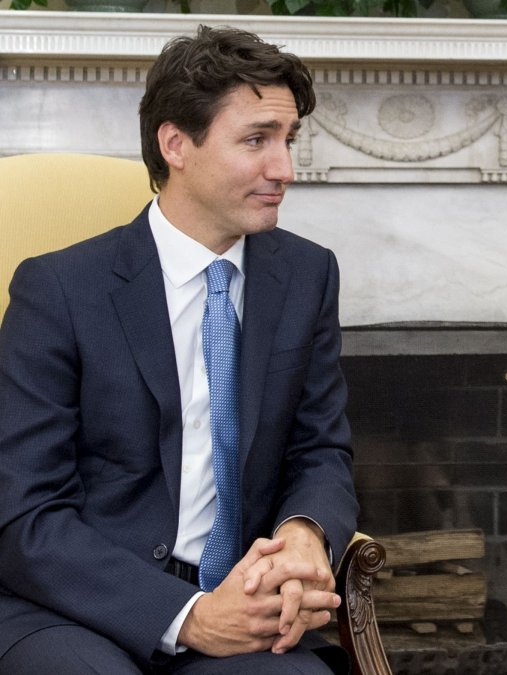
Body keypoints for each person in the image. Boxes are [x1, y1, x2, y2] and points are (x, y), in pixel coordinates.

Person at [0, 26, 358, 674]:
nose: (285, 169)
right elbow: (26, 514)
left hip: (242, 604)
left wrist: (304, 531)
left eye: (288, 140)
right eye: (257, 139)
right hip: (76, 609)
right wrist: (187, 616)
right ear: (176, 144)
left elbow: (320, 450)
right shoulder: (59, 289)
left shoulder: (307, 276)